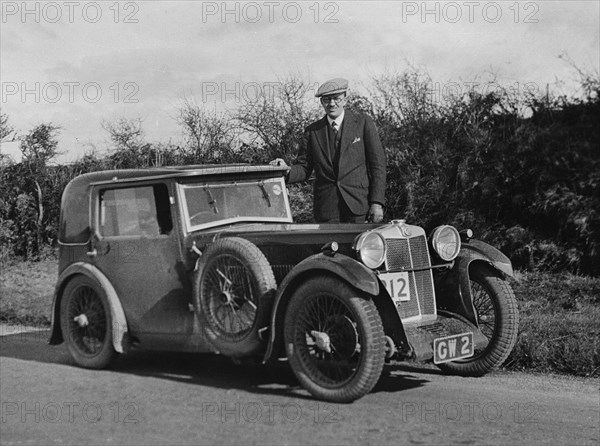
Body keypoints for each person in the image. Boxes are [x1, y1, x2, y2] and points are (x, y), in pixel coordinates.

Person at [271, 78, 386, 223]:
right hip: (327, 209)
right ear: (322, 102)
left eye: (336, 99)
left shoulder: (363, 123)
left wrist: (377, 203)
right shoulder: (313, 131)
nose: (332, 103)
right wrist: (286, 170)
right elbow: (304, 167)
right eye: (327, 100)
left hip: (359, 206)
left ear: (345, 99)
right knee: (328, 246)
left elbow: (378, 166)